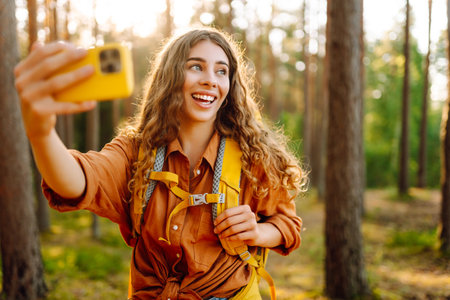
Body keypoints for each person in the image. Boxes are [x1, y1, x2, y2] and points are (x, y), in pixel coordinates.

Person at [14, 27, 308, 299]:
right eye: (196, 66)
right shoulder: (135, 152)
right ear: (171, 76)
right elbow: (77, 180)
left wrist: (257, 233)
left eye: (222, 71)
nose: (210, 79)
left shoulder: (252, 155)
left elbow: (288, 225)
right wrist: (41, 133)